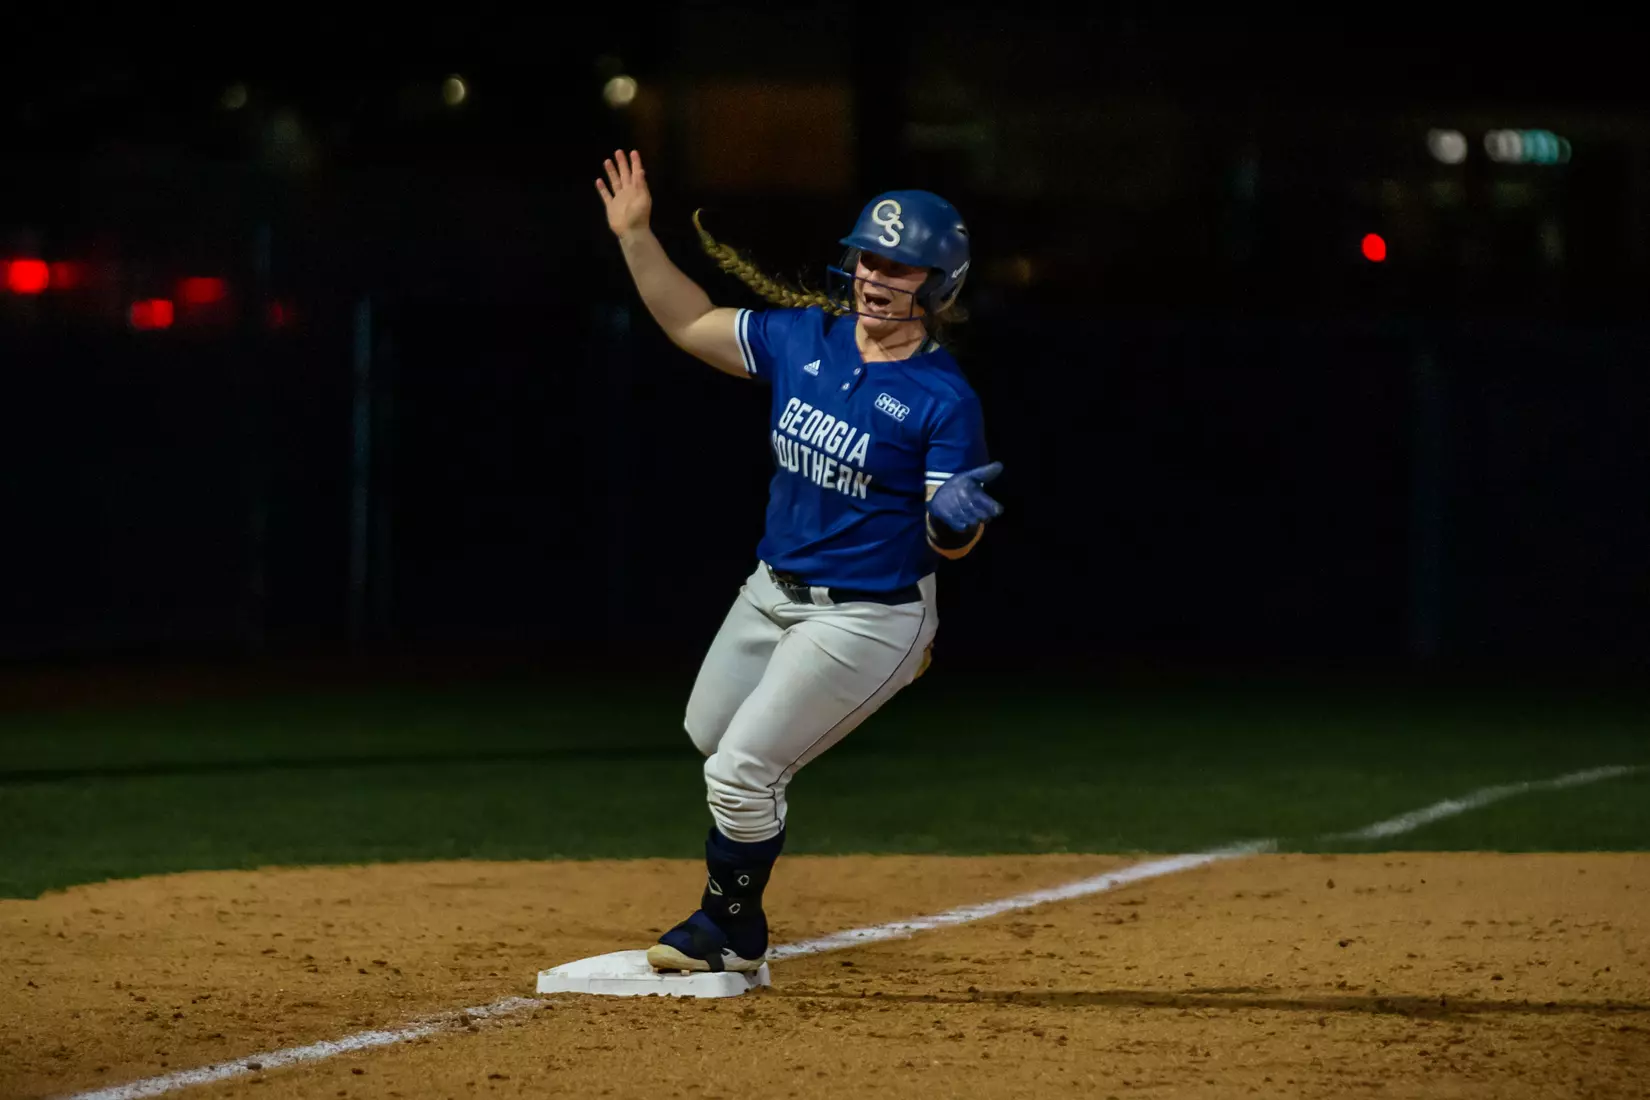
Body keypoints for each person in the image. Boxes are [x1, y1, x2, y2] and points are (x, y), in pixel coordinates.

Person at [595, 149, 1005, 974]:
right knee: (709, 734)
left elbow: (953, 539)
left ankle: (730, 930)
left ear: (940, 285)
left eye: (901, 267)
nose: (876, 277)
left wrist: (955, 523)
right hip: (769, 592)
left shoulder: (941, 398)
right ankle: (734, 903)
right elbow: (688, 322)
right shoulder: (804, 341)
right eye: (870, 257)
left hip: (867, 610)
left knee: (743, 771)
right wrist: (636, 236)